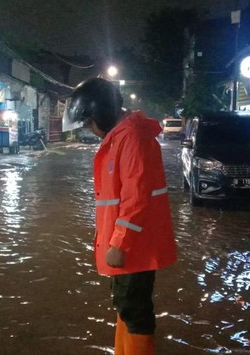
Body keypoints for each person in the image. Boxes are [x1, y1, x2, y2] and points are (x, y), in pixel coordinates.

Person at [62, 77, 177, 354]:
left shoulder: (132, 137)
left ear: (100, 113)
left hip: (133, 245)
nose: (90, 128)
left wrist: (119, 243)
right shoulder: (122, 136)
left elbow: (136, 197)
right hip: (130, 242)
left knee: (135, 310)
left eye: (89, 122)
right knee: (126, 305)